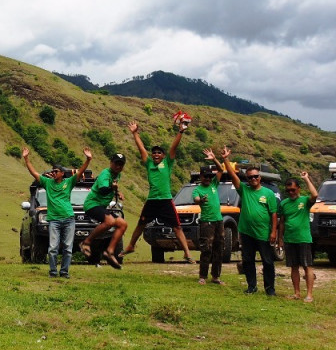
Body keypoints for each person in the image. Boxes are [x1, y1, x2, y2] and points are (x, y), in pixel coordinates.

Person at [122, 120, 195, 263]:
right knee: (141, 224)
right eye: (154, 152)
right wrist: (135, 133)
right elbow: (141, 149)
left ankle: (187, 253)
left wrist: (180, 132)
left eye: (159, 153)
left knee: (177, 227)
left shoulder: (167, 163)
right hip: (152, 201)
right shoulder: (149, 163)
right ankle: (131, 246)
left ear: (163, 155)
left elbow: (174, 147)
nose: (156, 154)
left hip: (166, 201)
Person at [23, 145, 93, 278]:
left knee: (67, 247)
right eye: (53, 171)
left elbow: (80, 172)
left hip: (68, 219)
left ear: (62, 173)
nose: (54, 173)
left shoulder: (69, 182)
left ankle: (64, 272)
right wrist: (26, 159)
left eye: (56, 171)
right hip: (54, 220)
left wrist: (88, 159)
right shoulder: (47, 183)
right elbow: (34, 173)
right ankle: (53, 272)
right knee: (53, 248)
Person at [224, 160, 278, 295]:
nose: (253, 179)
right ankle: (251, 286)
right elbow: (233, 176)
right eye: (250, 177)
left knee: (268, 261)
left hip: (263, 233)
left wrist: (273, 232)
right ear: (247, 179)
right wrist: (225, 159)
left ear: (260, 177)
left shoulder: (268, 193)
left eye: (255, 176)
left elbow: (273, 214)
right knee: (248, 260)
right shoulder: (244, 190)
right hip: (246, 232)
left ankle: (270, 289)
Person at [78, 153, 128, 269]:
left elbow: (112, 187)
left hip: (102, 206)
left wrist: (117, 192)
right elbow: (103, 189)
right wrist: (113, 188)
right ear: (111, 163)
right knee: (110, 221)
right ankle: (86, 242)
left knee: (122, 224)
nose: (118, 166)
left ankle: (109, 251)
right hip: (92, 204)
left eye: (121, 164)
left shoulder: (117, 175)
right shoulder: (105, 173)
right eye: (116, 163)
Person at [192, 147, 230, 284]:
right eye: (205, 176)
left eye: (209, 176)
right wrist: (201, 200)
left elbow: (221, 170)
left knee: (219, 249)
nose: (208, 178)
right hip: (206, 222)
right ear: (201, 177)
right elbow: (196, 199)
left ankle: (216, 276)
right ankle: (203, 276)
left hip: (218, 221)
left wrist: (214, 159)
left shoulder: (214, 184)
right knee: (206, 249)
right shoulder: (197, 189)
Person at [278, 171, 319, 301]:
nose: (291, 192)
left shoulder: (305, 200)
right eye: (288, 190)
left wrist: (306, 179)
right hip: (290, 239)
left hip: (303, 239)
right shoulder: (284, 203)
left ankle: (309, 294)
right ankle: (296, 293)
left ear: (298, 189)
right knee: (294, 267)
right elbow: (282, 222)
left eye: (293, 190)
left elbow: (315, 195)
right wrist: (280, 239)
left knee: (307, 266)